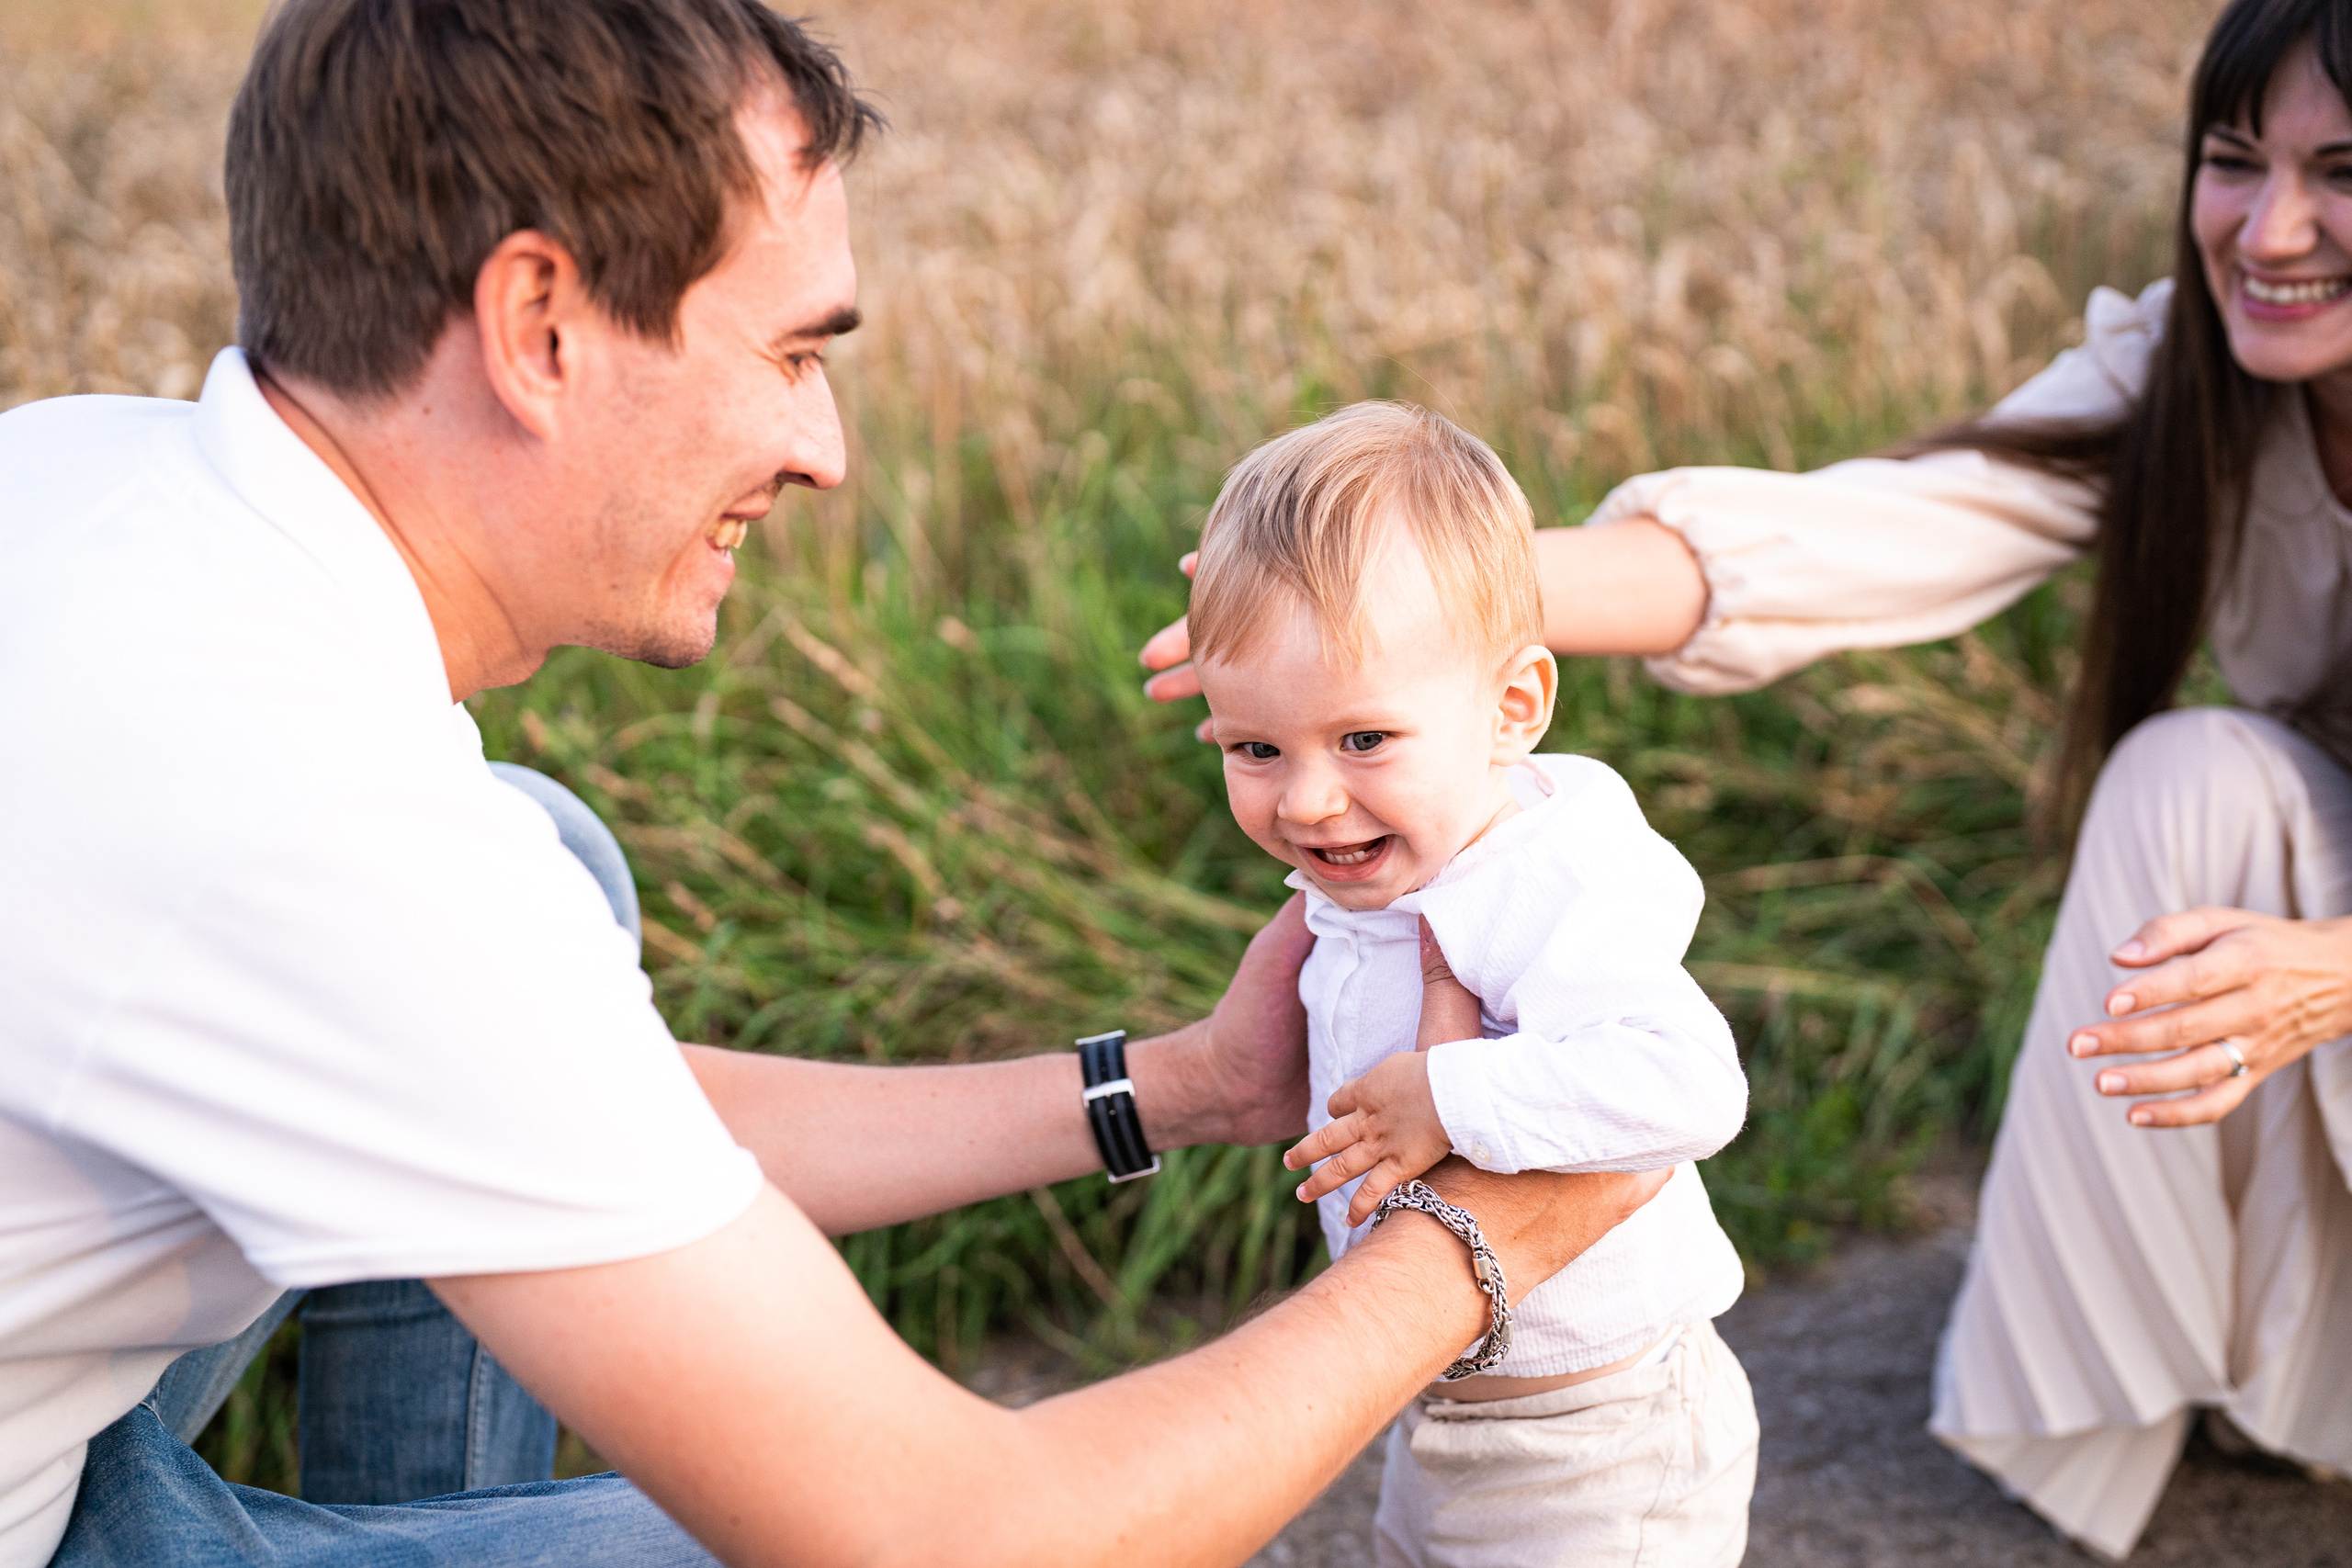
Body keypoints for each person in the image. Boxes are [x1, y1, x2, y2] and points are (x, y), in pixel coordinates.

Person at [0, 3, 1673, 1566]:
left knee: (544, 855)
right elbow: (962, 1537)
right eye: (795, 354)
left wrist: (1179, 1086)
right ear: (539, 327)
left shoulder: (97, 485)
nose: (827, 448)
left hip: (58, 1428)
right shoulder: (300, 824)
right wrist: (1472, 1248)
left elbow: (518, 1079)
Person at [1146, 0, 2352, 1557]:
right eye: (2236, 161)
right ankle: (2206, 1371)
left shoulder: (1567, 868)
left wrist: (2335, 970)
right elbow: (1878, 532)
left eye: (2343, 171)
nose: (2276, 228)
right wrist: (1397, 614)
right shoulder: (2189, 380)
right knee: (2192, 775)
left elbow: (1683, 1077)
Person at [1184, 402, 1758, 1566]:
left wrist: (1449, 1098)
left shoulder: (1546, 883)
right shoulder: (1389, 860)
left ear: (1512, 710)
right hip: (1448, 1401)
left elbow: (1688, 1086)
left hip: (1600, 1438)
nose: (1303, 801)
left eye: (1363, 741)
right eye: (1256, 748)